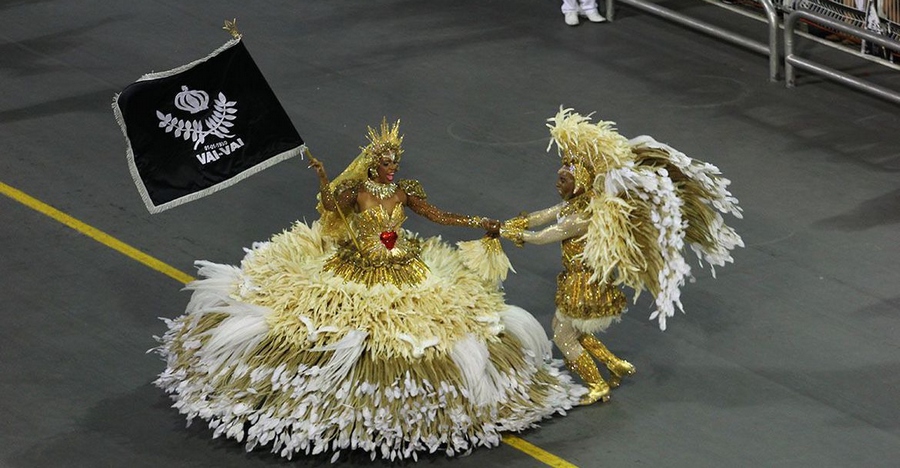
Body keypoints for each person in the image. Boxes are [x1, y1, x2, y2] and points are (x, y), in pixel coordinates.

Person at [153, 118, 583, 461]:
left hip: (404, 269)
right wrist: (324, 178)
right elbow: (328, 208)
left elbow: (439, 216)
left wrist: (480, 224)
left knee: (414, 336)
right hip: (355, 268)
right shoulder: (358, 191)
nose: (393, 165)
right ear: (373, 162)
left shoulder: (404, 192)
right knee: (337, 328)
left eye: (396, 159)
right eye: (387, 160)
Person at [501, 108, 743, 404]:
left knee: (563, 337)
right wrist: (517, 222)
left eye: (563, 181)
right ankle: (614, 364)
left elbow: (544, 236)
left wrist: (516, 235)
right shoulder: (574, 206)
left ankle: (597, 384)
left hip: (585, 286)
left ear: (580, 182)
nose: (558, 185)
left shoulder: (581, 217)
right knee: (566, 330)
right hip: (577, 281)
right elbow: (544, 216)